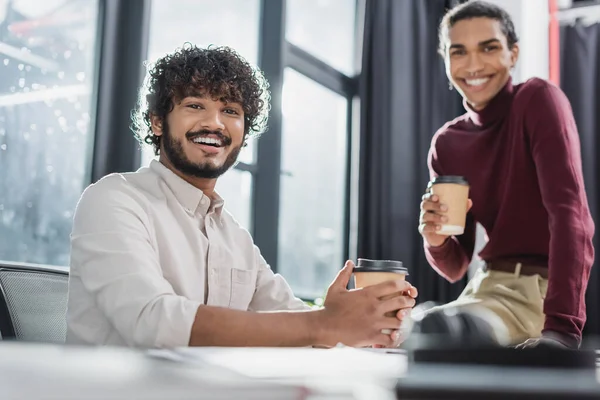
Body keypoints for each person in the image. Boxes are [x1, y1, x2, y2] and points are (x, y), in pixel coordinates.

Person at [66, 44, 417, 349]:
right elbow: (151, 319)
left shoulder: (232, 235)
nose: (215, 123)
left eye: (231, 111)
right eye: (194, 105)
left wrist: (364, 319)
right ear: (158, 122)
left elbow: (289, 316)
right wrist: (325, 324)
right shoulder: (114, 199)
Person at [418, 1, 594, 349]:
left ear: (513, 54)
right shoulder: (448, 143)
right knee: (421, 331)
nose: (473, 65)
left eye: (489, 48)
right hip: (482, 288)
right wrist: (434, 239)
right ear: (447, 61)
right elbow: (456, 265)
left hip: (536, 293)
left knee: (444, 333)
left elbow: (571, 217)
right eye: (459, 52)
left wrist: (561, 331)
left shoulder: (538, 99)